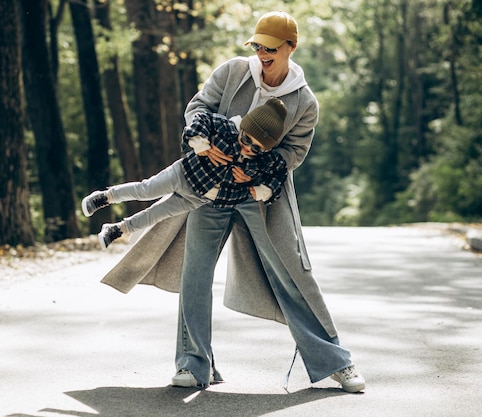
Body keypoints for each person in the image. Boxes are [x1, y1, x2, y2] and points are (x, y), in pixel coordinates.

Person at [101, 10, 365, 393]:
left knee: (293, 275)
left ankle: (336, 362)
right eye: (257, 45)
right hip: (209, 188)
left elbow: (294, 153)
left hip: (261, 198)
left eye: (271, 47)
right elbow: (198, 108)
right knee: (195, 273)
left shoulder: (305, 102)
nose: (262, 53)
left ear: (291, 47)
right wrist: (202, 145)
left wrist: (258, 172)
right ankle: (194, 364)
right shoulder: (232, 72)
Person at [82, 98, 288, 249]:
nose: (249, 148)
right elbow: (200, 120)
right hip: (184, 173)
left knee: (156, 214)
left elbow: (279, 173)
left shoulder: (265, 161)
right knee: (146, 190)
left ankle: (117, 229)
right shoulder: (225, 128)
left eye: (257, 148)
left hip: (199, 198)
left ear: (266, 150)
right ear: (242, 128)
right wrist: (201, 144)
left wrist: (260, 189)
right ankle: (105, 196)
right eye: (247, 140)